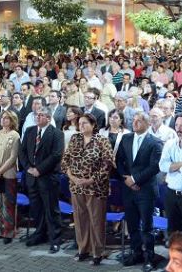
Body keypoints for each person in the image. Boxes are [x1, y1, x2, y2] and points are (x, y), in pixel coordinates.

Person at [60, 113, 115, 265]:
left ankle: (97, 252)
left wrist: (89, 180)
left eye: (85, 123)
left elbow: (107, 164)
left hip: (95, 188)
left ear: (93, 124)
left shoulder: (101, 140)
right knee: (80, 219)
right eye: (80, 123)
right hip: (76, 186)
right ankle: (83, 250)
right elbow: (65, 161)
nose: (81, 126)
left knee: (96, 221)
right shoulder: (75, 138)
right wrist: (73, 178)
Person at [116, 112, 163, 271]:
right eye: (134, 120)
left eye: (139, 120)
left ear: (148, 123)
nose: (135, 123)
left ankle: (149, 257)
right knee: (133, 224)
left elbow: (154, 167)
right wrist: (127, 180)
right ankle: (135, 253)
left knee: (147, 227)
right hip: (128, 190)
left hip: (145, 190)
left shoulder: (155, 142)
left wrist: (135, 180)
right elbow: (119, 161)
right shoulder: (126, 138)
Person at [19, 106, 65, 254]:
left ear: (49, 118)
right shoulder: (30, 131)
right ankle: (40, 234)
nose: (37, 117)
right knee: (36, 208)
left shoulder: (56, 133)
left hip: (48, 177)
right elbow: (22, 151)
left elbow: (56, 155)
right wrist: (28, 168)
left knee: (51, 210)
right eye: (37, 115)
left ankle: (55, 239)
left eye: (41, 115)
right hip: (31, 176)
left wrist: (39, 169)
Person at [0, 111, 21, 243]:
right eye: (2, 118)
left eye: (7, 118)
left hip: (7, 174)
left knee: (8, 203)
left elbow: (13, 157)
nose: (4, 120)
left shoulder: (15, 135)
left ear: (12, 120)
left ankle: (9, 232)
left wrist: (0, 171)